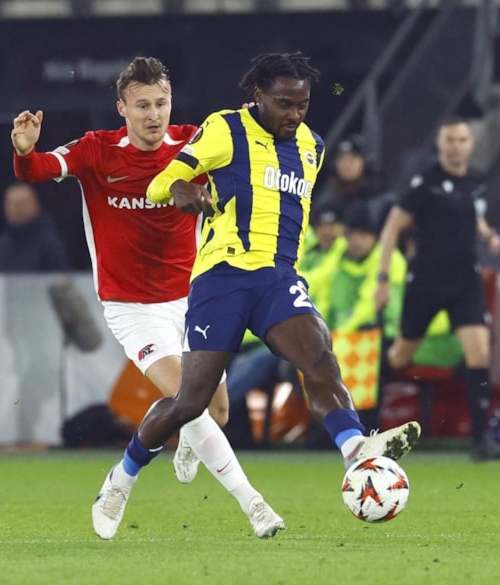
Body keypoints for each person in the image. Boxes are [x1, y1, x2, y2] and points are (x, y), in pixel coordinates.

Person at [93, 52, 421, 539]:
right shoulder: (224, 129)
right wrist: (181, 189)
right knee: (191, 402)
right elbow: (163, 182)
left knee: (319, 356)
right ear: (259, 96)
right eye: (284, 104)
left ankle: (356, 449)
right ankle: (121, 478)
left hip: (277, 279)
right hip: (222, 279)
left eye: (302, 105)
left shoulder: (312, 146)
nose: (294, 115)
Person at [10, 57, 279, 538]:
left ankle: (161, 451)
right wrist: (25, 150)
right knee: (188, 400)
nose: (153, 115)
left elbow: (248, 151)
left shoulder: (193, 144)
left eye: (161, 103)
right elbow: (39, 170)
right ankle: (253, 504)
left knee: (216, 412)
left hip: (195, 298)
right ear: (122, 108)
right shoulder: (97, 150)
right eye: (142, 106)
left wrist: (252, 125)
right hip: (132, 308)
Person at [374, 116, 500, 462]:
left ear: (471, 144)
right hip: (427, 281)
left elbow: (473, 215)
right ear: (439, 143)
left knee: (479, 354)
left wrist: (488, 235)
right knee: (401, 355)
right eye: (449, 140)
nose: (455, 147)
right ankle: (368, 420)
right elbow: (391, 228)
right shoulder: (425, 182)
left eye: (462, 140)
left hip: (465, 280)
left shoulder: (476, 180)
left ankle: (481, 441)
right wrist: (383, 280)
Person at [0, 182, 71, 272]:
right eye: (11, 203)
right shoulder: (2, 244)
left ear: (36, 205)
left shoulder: (49, 243)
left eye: (22, 203)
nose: (16, 208)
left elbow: (60, 277)